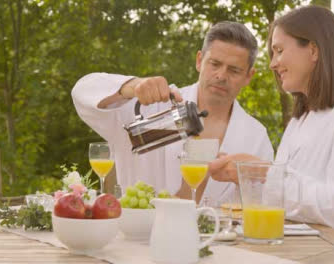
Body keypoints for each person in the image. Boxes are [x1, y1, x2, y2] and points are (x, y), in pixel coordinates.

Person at [208, 6, 334, 264]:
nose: (273, 63)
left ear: (313, 50)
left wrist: (265, 173)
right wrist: (247, 175)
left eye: (279, 50)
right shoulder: (301, 119)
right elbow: (289, 199)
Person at [71, 21, 274, 204]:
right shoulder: (154, 106)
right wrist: (131, 86)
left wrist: (246, 179)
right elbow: (82, 92)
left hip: (222, 243)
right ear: (199, 61)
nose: (221, 75)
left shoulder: (256, 137)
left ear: (249, 76)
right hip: (140, 239)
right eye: (215, 64)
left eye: (234, 70)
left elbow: (266, 201)